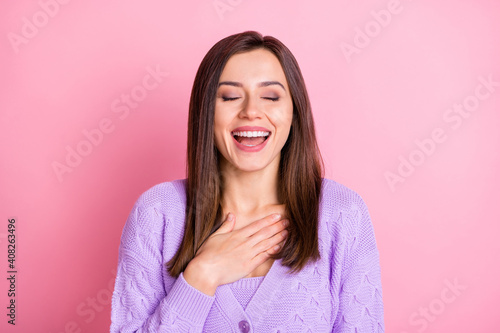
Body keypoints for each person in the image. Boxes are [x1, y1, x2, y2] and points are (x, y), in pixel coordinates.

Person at [110, 30, 384, 332]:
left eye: (270, 96)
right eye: (229, 96)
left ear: (294, 112)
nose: (251, 111)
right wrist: (201, 276)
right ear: (206, 112)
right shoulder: (157, 214)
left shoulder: (342, 215)